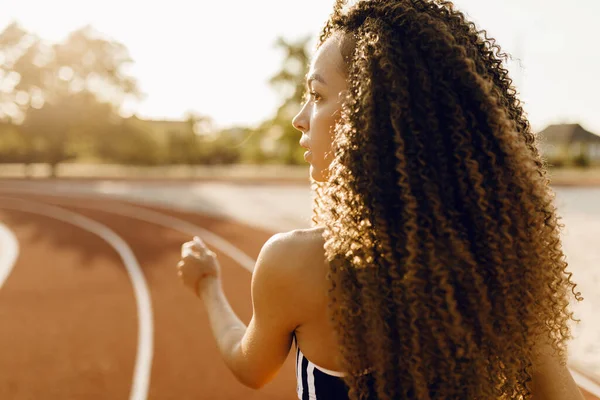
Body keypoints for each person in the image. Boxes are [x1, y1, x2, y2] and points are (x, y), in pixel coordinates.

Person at [177, 0, 587, 399]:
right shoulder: (491, 270)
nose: (299, 117)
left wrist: (209, 285)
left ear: (368, 115)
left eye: (317, 96)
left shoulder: (296, 263)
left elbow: (250, 367)